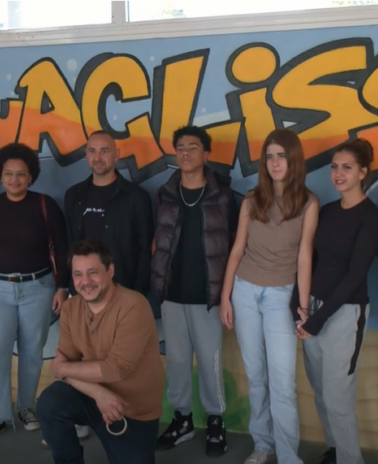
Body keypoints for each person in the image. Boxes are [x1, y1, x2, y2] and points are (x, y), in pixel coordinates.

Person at [220, 128, 319, 464]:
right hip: (244, 292)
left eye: (282, 156)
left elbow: (304, 257)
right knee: (256, 376)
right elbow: (237, 250)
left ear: (294, 160)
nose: (275, 163)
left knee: (283, 383)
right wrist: (226, 297)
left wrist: (303, 307)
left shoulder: (309, 203)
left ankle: (289, 456)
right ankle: (263, 445)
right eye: (270, 156)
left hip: (281, 296)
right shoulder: (251, 200)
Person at [0, 142, 70, 443]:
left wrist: (62, 287)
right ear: (0, 176)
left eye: (21, 174)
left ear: (31, 177)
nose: (15, 179)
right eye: (9, 174)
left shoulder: (45, 205)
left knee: (31, 352)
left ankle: (26, 407)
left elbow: (62, 248)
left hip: (38, 288)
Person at [150, 125, 240, 457]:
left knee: (210, 358)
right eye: (180, 148)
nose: (185, 153)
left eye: (193, 147)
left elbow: (234, 244)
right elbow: (158, 240)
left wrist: (226, 293)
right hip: (172, 294)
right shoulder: (166, 193)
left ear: (206, 153)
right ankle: (182, 419)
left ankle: (216, 420)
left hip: (208, 296)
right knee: (176, 360)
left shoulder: (223, 195)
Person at [293, 140, 378, 464]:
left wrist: (317, 320)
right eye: (334, 167)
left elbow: (355, 276)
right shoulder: (328, 211)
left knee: (337, 397)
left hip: (344, 313)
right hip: (313, 309)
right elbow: (310, 259)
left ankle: (350, 459)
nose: (338, 173)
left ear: (363, 172)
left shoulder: (370, 217)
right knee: (320, 389)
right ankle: (335, 450)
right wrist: (299, 305)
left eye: (347, 167)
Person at [37, 239, 165, 464]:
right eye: (78, 274)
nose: (85, 281)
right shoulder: (71, 308)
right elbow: (65, 369)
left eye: (93, 272)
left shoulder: (134, 305)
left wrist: (63, 368)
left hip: (132, 409)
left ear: (110, 271)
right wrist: (98, 393)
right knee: (50, 402)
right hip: (95, 397)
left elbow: (116, 369)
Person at [64, 130, 153, 294]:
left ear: (116, 155)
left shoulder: (137, 197)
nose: (97, 158)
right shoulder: (73, 195)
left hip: (123, 290)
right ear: (86, 154)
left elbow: (145, 250)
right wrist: (69, 287)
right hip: (83, 290)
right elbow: (69, 245)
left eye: (104, 151)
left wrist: (138, 293)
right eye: (92, 151)